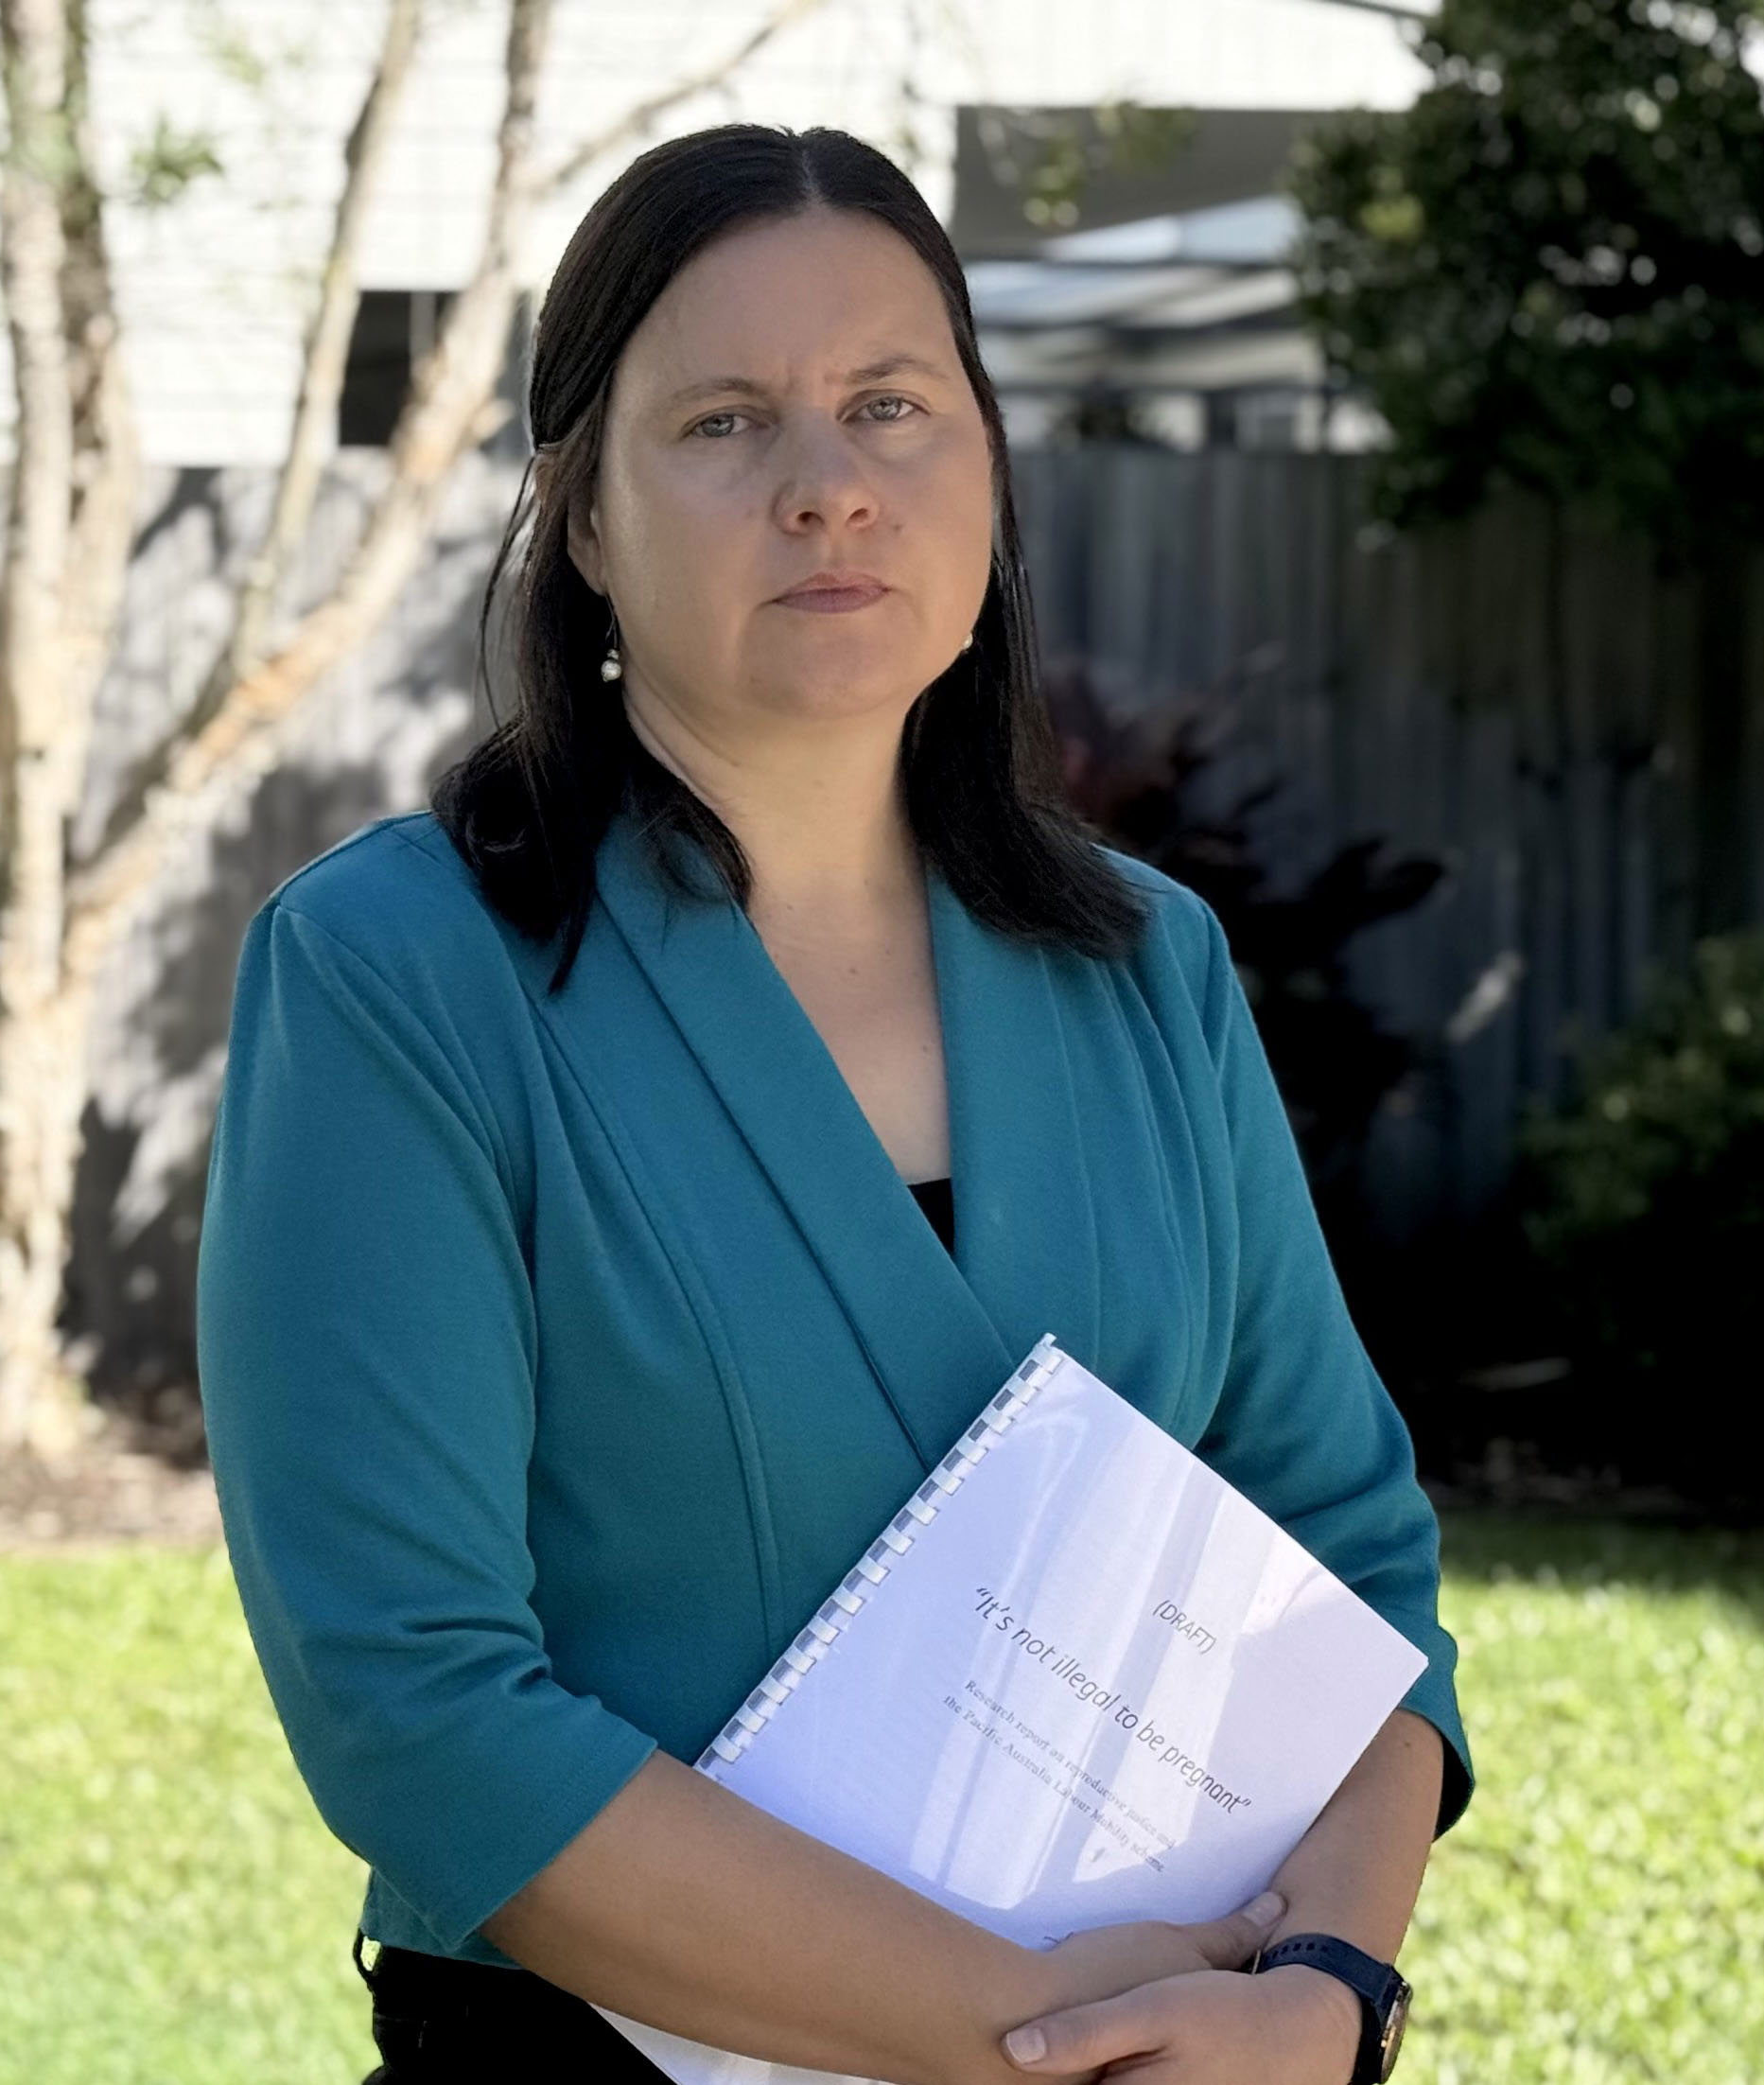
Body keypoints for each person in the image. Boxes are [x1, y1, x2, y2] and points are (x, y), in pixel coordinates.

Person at [197, 123, 1473, 2085]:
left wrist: (1323, 1995)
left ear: (986, 469)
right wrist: (1056, 2045)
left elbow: (1348, 1565)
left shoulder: (1151, 967)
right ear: (584, 518)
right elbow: (413, 1704)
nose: (827, 486)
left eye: (890, 404)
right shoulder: (397, 975)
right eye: (723, 422)